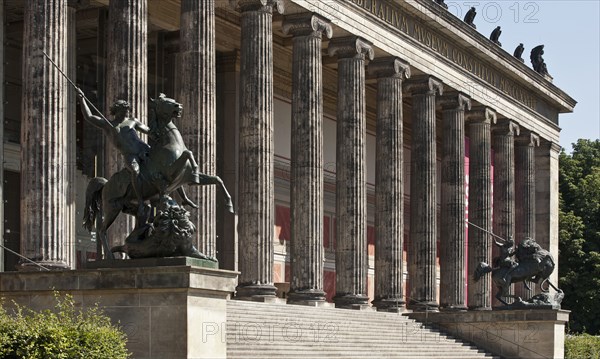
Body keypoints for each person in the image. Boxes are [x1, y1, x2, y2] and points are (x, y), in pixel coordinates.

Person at [77, 89, 151, 221]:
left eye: (127, 109)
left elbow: (148, 130)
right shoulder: (109, 125)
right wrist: (82, 99)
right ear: (117, 111)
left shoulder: (133, 121)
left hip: (143, 149)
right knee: (135, 170)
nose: (127, 111)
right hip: (130, 155)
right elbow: (89, 117)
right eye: (124, 109)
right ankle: (140, 201)